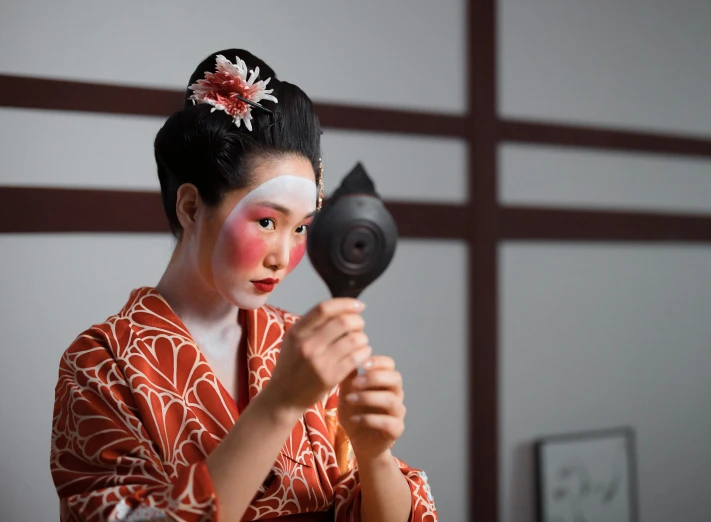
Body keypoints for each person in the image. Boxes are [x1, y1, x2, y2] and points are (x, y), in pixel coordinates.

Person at [49, 49, 437, 522]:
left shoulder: (303, 347)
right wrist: (279, 405)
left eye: (300, 228)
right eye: (267, 221)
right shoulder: (100, 364)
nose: (283, 256)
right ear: (191, 208)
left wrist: (375, 454)